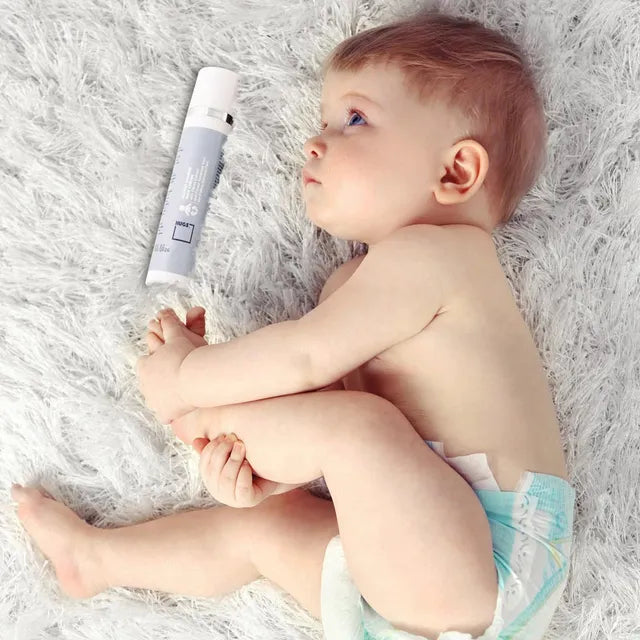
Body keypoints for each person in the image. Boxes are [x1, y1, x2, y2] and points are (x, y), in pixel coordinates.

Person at [11, 9, 576, 640]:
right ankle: (96, 559)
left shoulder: (441, 256)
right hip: (425, 570)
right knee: (265, 528)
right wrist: (263, 478)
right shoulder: (355, 285)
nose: (314, 141)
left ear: (455, 172)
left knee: (361, 430)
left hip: (486, 565)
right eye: (324, 120)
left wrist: (191, 379)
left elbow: (303, 360)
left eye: (355, 119)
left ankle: (191, 416)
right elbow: (317, 414)